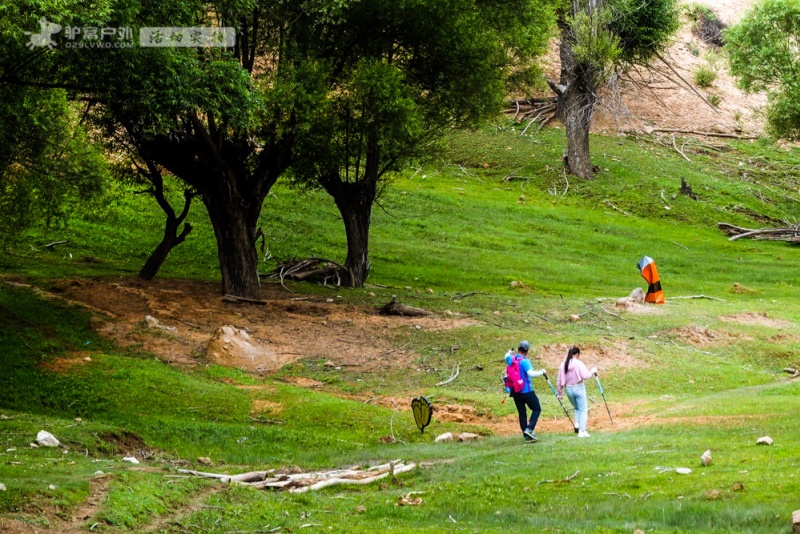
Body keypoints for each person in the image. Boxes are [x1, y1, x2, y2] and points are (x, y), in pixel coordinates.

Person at [504, 340, 547, 443]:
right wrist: (542, 372)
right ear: (527, 351)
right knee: (537, 408)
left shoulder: (511, 358)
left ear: (518, 348)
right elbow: (531, 374)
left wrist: (510, 352)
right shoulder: (525, 361)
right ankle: (529, 429)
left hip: (515, 391)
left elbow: (506, 356)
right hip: (526, 391)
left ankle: (527, 436)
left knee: (522, 413)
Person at [556, 346, 597, 438]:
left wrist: (559, 393)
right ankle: (582, 431)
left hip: (568, 389)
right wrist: (593, 371)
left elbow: (559, 380)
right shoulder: (578, 363)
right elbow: (586, 375)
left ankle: (577, 424)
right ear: (577, 354)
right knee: (583, 409)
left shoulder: (563, 364)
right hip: (578, 388)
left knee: (577, 407)